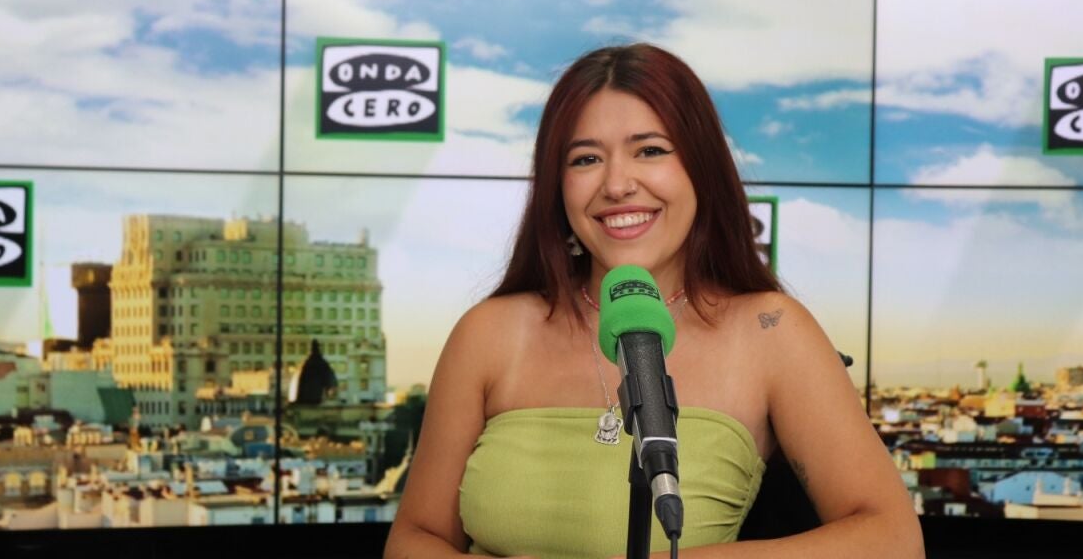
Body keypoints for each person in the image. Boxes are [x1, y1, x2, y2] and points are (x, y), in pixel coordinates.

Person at [384, 44, 924, 559]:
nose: (618, 184)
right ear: (556, 186)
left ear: (701, 168)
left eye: (650, 150)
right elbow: (413, 538)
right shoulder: (489, 332)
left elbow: (892, 539)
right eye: (586, 159)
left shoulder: (769, 330)